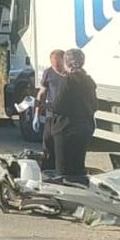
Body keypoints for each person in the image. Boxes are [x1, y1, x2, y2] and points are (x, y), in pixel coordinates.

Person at [49, 47, 96, 183]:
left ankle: (66, 192)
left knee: (64, 170)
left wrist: (46, 105)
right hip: (84, 128)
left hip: (66, 128)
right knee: (78, 166)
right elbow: (94, 106)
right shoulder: (89, 81)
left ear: (67, 63)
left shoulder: (67, 81)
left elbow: (57, 106)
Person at [35, 49, 67, 171]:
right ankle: (47, 170)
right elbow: (42, 93)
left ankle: (61, 169)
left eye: (59, 65)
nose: (56, 68)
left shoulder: (70, 76)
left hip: (65, 116)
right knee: (48, 143)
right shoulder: (48, 73)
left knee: (61, 146)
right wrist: (36, 115)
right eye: (54, 65)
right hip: (51, 114)